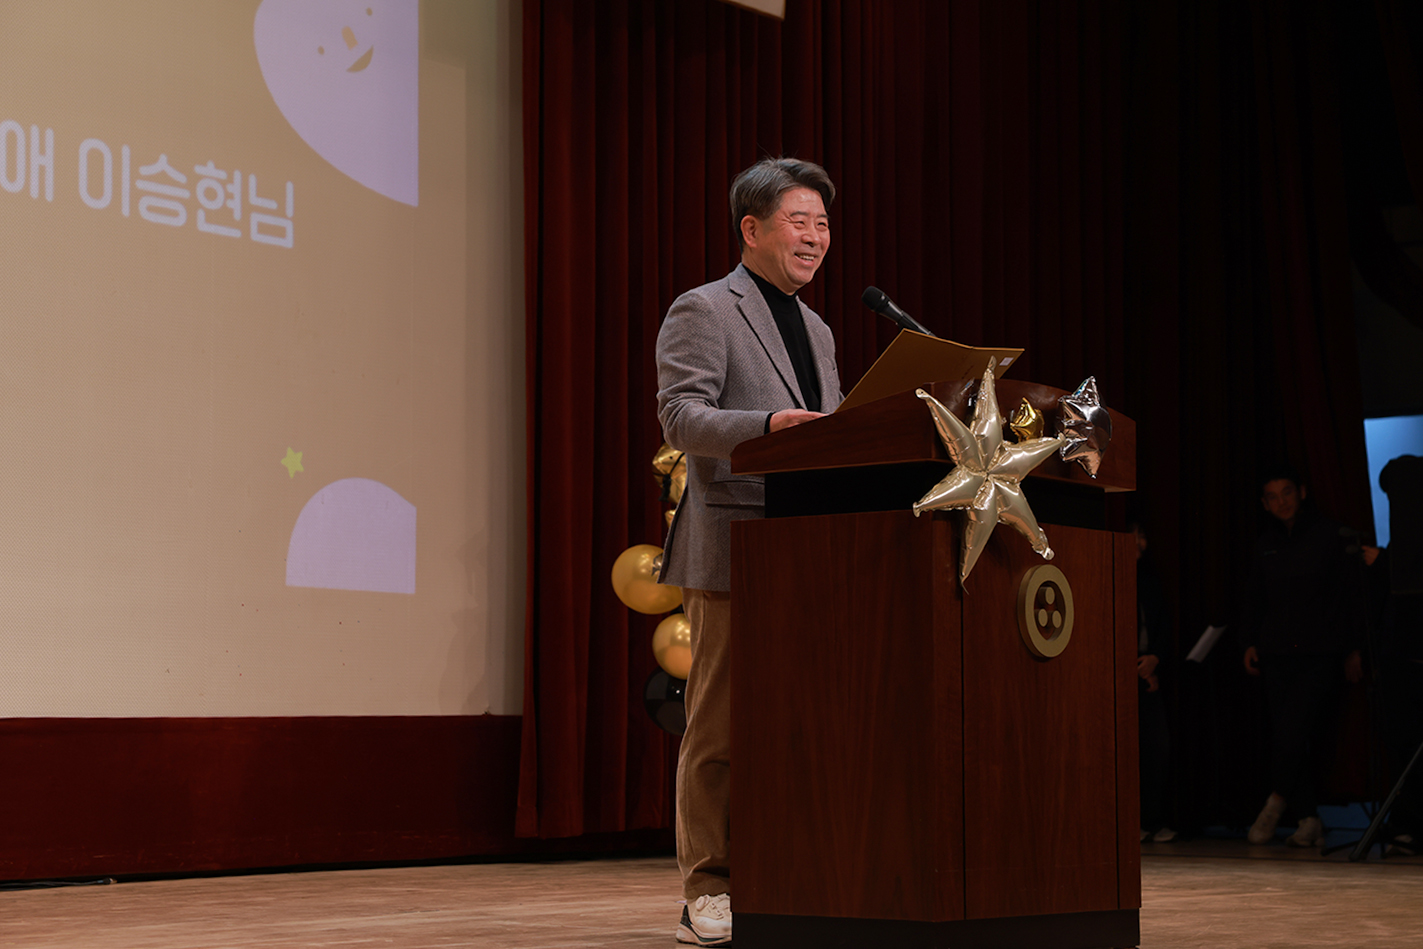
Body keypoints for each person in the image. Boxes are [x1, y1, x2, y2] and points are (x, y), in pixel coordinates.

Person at [655, 157, 842, 948]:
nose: (814, 237)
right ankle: (706, 888)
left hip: (808, 548)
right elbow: (680, 416)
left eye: (822, 224)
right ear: (752, 228)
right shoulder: (704, 308)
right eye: (799, 221)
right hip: (732, 543)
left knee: (802, 723)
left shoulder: (819, 329)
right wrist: (766, 427)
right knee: (721, 726)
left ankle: (789, 873)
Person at [1242, 468, 1364, 848]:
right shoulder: (1265, 544)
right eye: (1273, 496)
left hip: (1319, 653)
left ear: (1302, 493)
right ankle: (1308, 818)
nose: (1282, 502)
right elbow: (1256, 599)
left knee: (1294, 731)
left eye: (1287, 492)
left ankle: (1277, 801)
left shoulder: (1330, 536)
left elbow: (1351, 596)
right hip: (1276, 653)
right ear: (1264, 504)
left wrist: (1354, 648)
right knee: (1286, 733)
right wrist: (1250, 642)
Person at [1134, 522, 1175, 843]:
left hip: (1148, 668)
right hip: (1120, 670)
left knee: (1157, 747)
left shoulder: (1150, 579)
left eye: (1142, 535)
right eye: (1131, 534)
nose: (1138, 542)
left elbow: (1162, 625)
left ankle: (1153, 819)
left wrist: (1155, 660)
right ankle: (1131, 821)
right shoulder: (1109, 573)